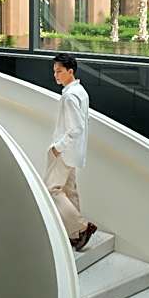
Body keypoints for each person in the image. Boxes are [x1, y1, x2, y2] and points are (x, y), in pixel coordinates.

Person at [47, 53, 97, 250]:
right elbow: (85, 122)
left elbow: (75, 128)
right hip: (75, 152)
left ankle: (82, 227)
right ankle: (76, 235)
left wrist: (58, 147)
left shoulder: (69, 96)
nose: (56, 75)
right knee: (70, 191)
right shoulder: (81, 91)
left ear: (70, 71)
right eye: (54, 72)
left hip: (65, 152)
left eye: (59, 71)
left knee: (53, 190)